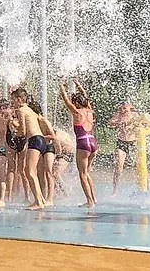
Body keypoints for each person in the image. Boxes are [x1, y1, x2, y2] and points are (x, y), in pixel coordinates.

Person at [60, 79, 98, 208]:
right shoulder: (90, 111)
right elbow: (86, 97)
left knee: (82, 174)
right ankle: (93, 198)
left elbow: (65, 99)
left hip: (83, 144)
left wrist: (61, 85)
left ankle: (89, 201)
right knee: (87, 173)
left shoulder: (76, 112)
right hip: (93, 143)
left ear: (76, 102)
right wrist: (78, 84)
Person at [11, 88, 48, 209]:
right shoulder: (30, 110)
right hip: (41, 140)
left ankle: (38, 201)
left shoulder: (21, 110)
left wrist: (13, 128)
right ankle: (41, 199)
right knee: (32, 171)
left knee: (29, 171)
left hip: (34, 140)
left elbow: (23, 131)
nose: (12, 103)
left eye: (13, 100)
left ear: (19, 99)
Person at [109, 101, 150, 195]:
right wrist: (117, 122)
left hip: (134, 143)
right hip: (121, 143)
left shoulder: (135, 116)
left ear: (129, 108)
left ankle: (148, 187)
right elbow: (110, 123)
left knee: (141, 165)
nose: (122, 111)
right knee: (119, 166)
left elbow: (146, 124)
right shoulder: (118, 116)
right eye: (121, 109)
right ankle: (115, 191)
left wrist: (141, 126)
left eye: (124, 109)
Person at [28, 100, 56, 206]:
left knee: (48, 172)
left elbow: (53, 136)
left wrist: (39, 136)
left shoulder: (43, 121)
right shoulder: (33, 122)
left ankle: (50, 198)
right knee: (39, 173)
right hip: (39, 147)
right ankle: (42, 197)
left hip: (48, 146)